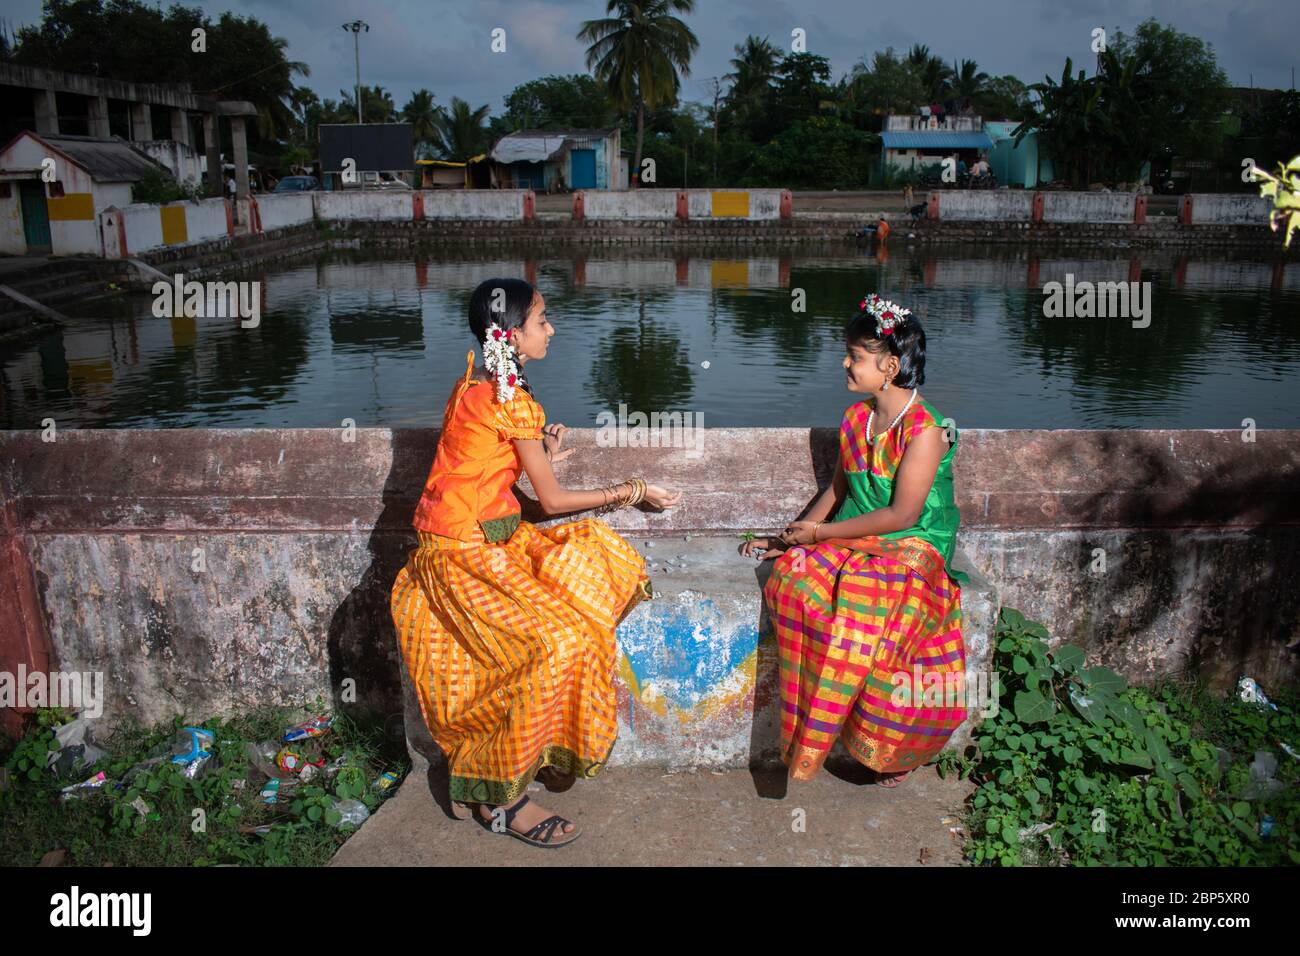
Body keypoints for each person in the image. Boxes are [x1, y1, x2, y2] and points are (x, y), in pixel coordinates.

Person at [391, 277, 683, 848]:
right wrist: (632, 490)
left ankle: (534, 747)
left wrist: (538, 451)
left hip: (482, 542)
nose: (551, 329)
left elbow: (484, 469)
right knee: (558, 643)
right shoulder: (509, 399)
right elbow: (549, 502)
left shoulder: (478, 385)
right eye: (542, 321)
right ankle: (501, 798)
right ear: (514, 335)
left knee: (589, 576)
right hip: (459, 556)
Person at [741, 294, 968, 787]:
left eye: (856, 357)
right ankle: (815, 735)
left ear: (889, 366)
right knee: (794, 581)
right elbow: (839, 488)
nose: (845, 363)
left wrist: (821, 534)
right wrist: (791, 540)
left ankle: (895, 747)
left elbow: (903, 513)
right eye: (848, 353)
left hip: (912, 541)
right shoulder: (855, 418)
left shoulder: (925, 429)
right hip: (859, 534)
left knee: (863, 610)